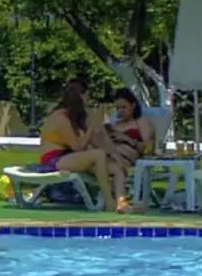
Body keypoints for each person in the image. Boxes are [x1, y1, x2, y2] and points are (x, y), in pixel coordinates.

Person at [36, 80, 132, 212]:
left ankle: (121, 202)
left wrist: (116, 157)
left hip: (69, 156)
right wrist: (91, 128)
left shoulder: (75, 117)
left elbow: (99, 139)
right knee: (98, 155)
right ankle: (109, 202)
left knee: (116, 168)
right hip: (54, 160)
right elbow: (78, 147)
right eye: (87, 96)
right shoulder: (61, 117)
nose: (88, 99)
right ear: (79, 96)